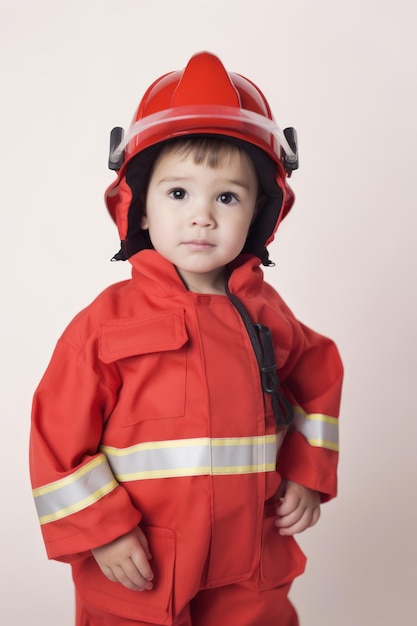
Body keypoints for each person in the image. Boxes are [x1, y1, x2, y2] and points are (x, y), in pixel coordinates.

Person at [30, 51, 343, 626]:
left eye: (226, 197)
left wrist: (306, 472)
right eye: (179, 194)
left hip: (251, 560)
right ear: (139, 208)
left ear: (259, 213)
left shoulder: (269, 315)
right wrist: (103, 530)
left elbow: (317, 378)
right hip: (142, 561)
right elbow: (57, 438)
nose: (202, 216)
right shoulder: (106, 324)